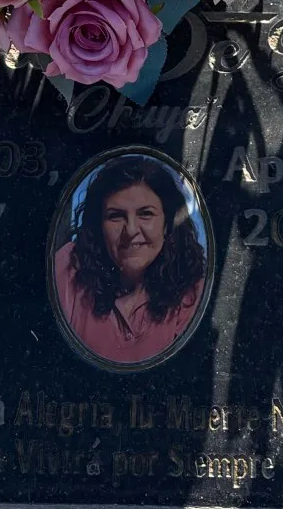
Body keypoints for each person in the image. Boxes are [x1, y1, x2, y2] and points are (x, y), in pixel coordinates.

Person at [53, 155, 208, 368]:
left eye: (146, 214)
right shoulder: (68, 267)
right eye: (116, 216)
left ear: (167, 223)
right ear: (99, 225)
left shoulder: (194, 288)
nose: (131, 231)